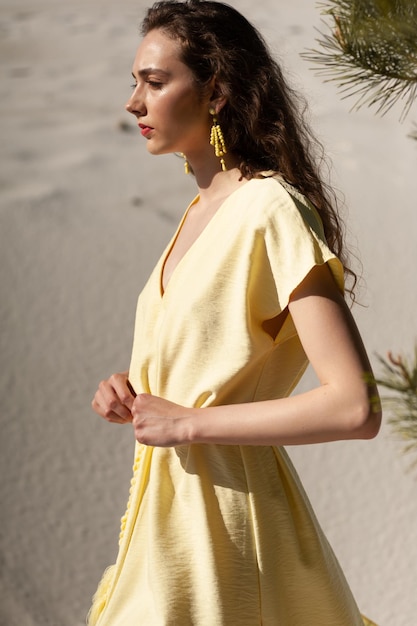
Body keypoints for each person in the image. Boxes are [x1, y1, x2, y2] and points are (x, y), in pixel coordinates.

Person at [88, 1, 381, 624]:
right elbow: (205, 369)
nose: (133, 103)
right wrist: (134, 391)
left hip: (225, 536)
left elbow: (355, 406)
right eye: (134, 81)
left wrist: (187, 423)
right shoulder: (197, 214)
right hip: (163, 528)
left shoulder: (269, 209)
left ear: (217, 92)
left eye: (156, 82)